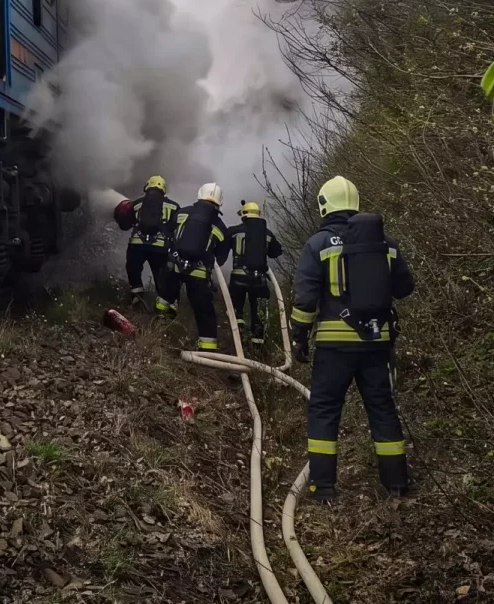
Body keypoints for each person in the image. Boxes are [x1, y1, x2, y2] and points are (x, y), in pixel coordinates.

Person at [289, 175, 415, 502]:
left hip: (334, 347)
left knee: (324, 410)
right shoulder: (385, 244)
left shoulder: (318, 244)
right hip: (376, 343)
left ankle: (323, 488)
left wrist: (299, 336)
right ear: (356, 202)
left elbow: (305, 299)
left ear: (324, 205)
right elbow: (405, 288)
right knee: (382, 408)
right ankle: (397, 484)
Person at [159, 182, 230, 352]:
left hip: (175, 267)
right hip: (199, 274)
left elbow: (168, 233)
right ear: (220, 202)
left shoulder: (181, 213)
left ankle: (156, 329)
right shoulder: (221, 228)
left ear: (199, 195)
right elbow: (221, 259)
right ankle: (207, 349)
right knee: (204, 312)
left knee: (164, 298)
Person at [113, 176, 180, 304]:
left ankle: (136, 295)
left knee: (133, 268)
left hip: (137, 246)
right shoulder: (173, 206)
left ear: (147, 186)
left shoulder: (136, 204)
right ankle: (163, 302)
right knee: (161, 274)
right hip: (160, 247)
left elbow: (125, 225)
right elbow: (176, 228)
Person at [226, 201, 283, 345]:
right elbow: (276, 252)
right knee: (259, 316)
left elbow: (222, 248)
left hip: (238, 279)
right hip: (260, 281)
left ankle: (238, 330)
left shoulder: (233, 231)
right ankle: (258, 348)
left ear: (244, 215)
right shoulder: (267, 234)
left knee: (235, 309)